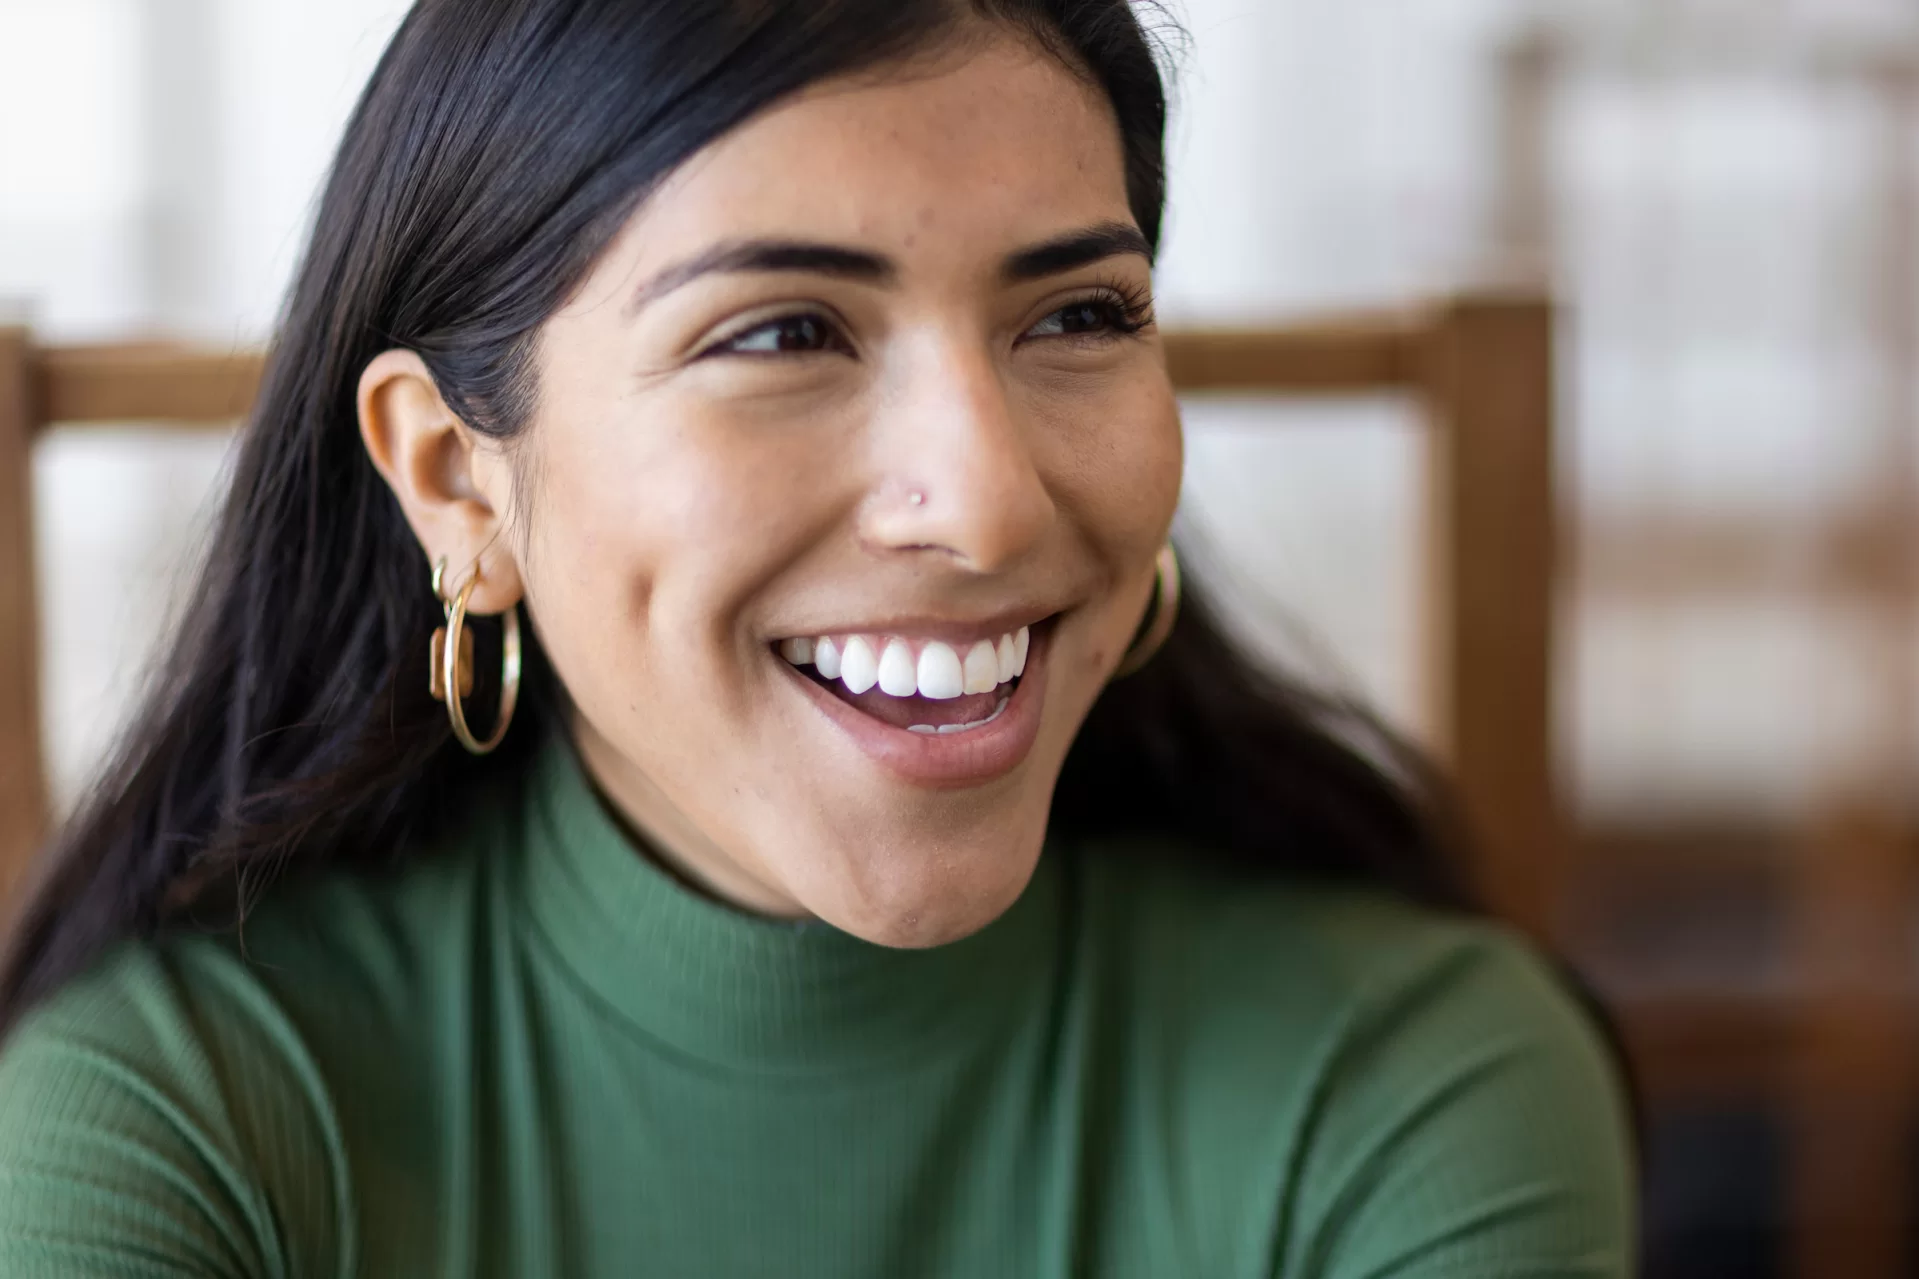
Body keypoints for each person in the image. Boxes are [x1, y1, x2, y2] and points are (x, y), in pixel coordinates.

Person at [0, 1, 1634, 1274]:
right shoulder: (168, 1132)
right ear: (457, 482)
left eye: (1076, 317)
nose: (985, 507)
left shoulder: (1404, 1085)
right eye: (783, 331)